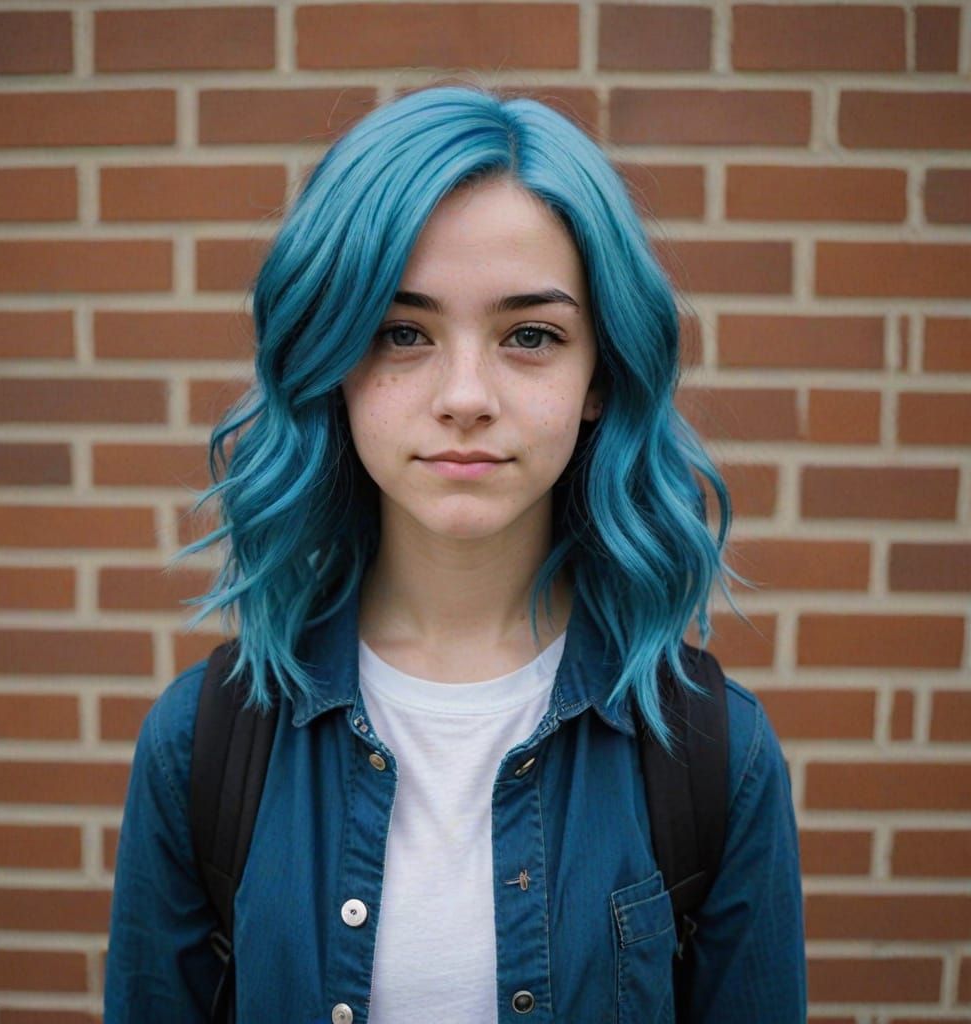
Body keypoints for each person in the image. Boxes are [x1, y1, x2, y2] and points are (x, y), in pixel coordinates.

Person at [104, 83, 806, 1023]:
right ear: (333, 366)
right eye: (403, 332)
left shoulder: (715, 757)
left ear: (600, 375)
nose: (465, 394)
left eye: (530, 335)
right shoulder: (204, 747)